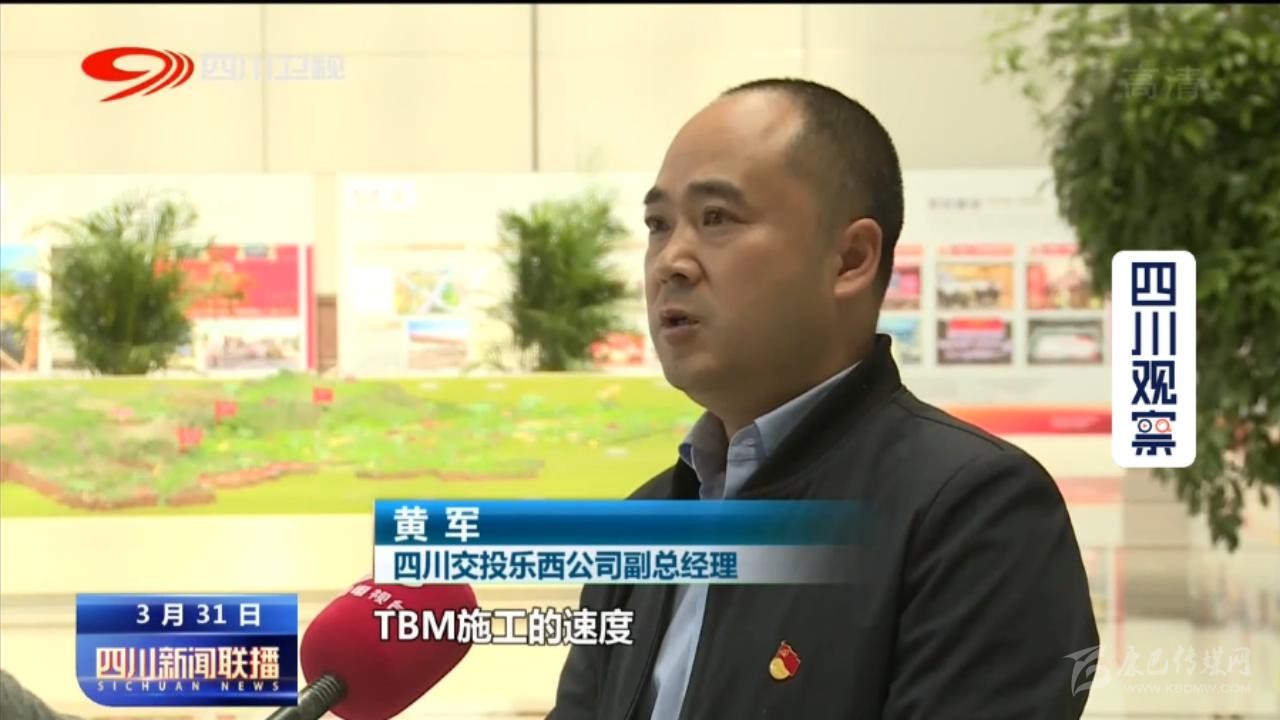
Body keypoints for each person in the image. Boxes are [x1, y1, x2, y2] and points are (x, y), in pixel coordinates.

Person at [547, 78, 1100, 719]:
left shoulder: (972, 512)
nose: (671, 261)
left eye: (716, 218)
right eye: (657, 225)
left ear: (850, 259)